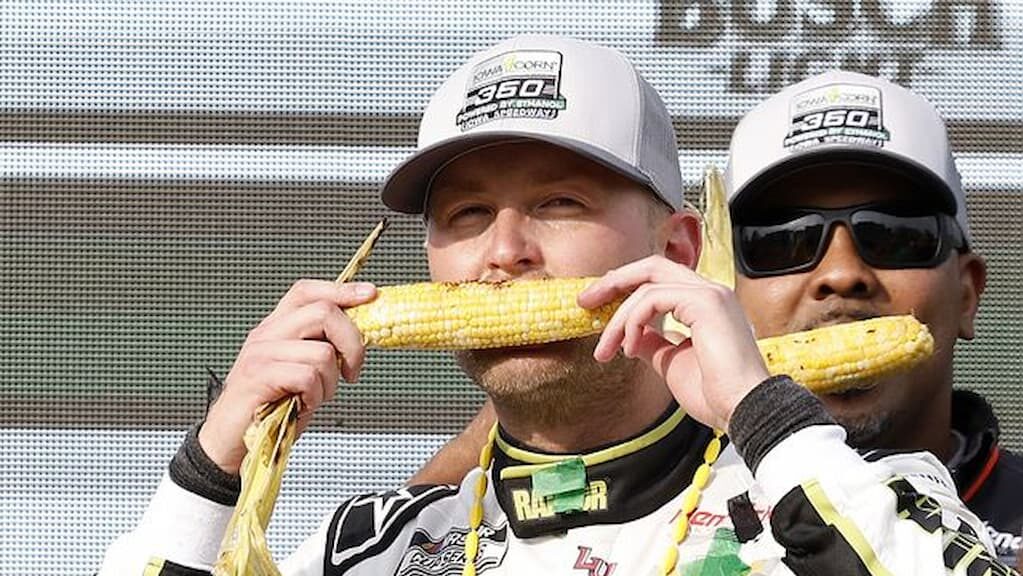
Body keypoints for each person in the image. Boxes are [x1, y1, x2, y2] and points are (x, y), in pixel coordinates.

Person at [99, 36, 1012, 575]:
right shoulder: (368, 549)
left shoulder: (851, 494)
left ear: (677, 252)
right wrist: (209, 471)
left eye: (558, 204)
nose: (504, 252)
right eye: (465, 215)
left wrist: (759, 412)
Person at [724, 70, 1023, 567]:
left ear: (967, 294)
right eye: (781, 241)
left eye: (895, 234)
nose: (842, 274)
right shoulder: (656, 528)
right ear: (724, 294)